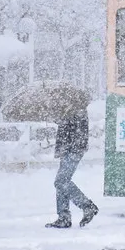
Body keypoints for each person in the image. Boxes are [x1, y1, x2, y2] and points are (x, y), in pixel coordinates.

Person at [45, 96, 98, 229]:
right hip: (67, 149)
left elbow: (74, 129)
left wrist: (62, 119)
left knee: (61, 181)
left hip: (73, 150)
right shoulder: (70, 111)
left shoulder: (77, 111)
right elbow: (66, 126)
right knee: (61, 183)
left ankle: (87, 206)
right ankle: (63, 217)